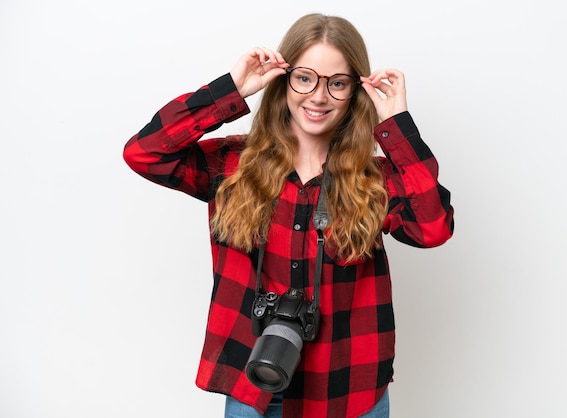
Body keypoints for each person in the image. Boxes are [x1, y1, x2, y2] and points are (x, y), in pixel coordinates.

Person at [123, 13, 454, 418]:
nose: (318, 96)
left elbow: (433, 228)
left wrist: (396, 125)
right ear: (284, 80)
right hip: (254, 381)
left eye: (336, 83)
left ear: (355, 91)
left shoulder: (374, 180)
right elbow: (144, 152)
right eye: (305, 78)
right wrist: (231, 90)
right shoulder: (234, 165)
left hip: (347, 387)